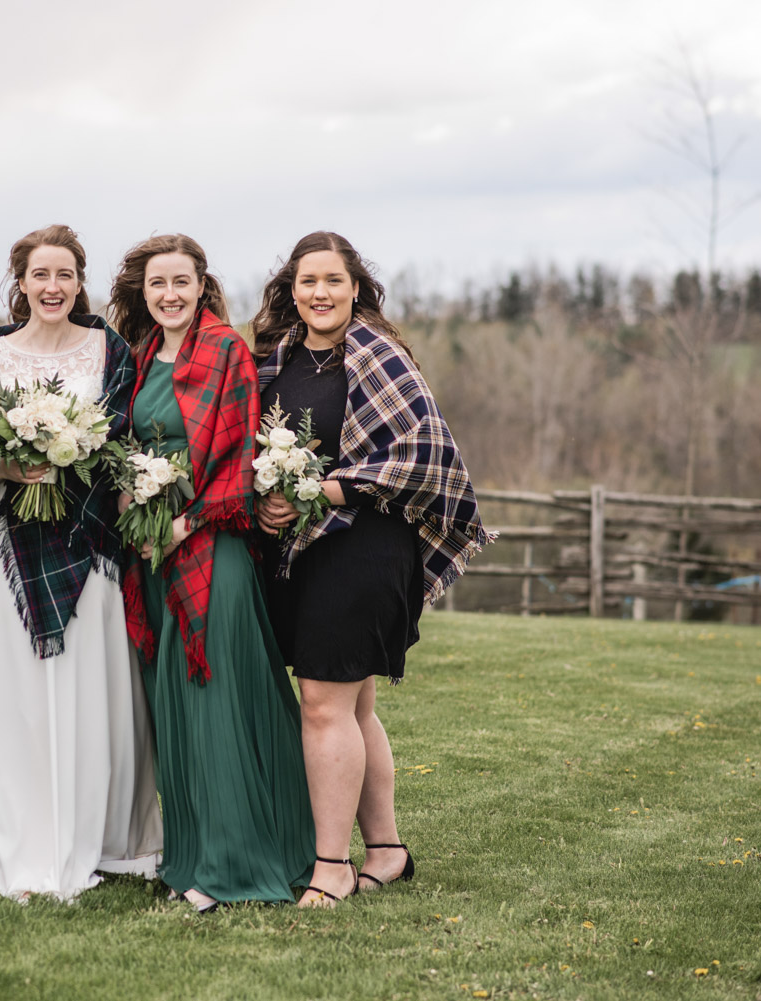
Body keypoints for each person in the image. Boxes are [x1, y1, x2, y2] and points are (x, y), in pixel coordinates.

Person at [252, 231, 491, 907]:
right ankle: (386, 852)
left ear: (356, 288)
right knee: (352, 705)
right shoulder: (276, 360)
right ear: (291, 288)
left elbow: (423, 455)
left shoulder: (380, 356)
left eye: (334, 280)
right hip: (301, 551)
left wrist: (322, 490)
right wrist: (267, 498)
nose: (320, 293)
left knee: (322, 704)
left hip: (364, 549)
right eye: (308, 281)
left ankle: (330, 867)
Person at [0, 224, 163, 901]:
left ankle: (92, 831)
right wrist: (11, 465)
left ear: (79, 282)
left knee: (85, 686)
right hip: (9, 542)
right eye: (40, 275)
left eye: (65, 275)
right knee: (14, 692)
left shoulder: (109, 349)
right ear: (20, 282)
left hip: (89, 540)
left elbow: (123, 439)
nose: (53, 286)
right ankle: (23, 837)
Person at [109, 235, 314, 911]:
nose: (169, 294)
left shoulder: (226, 350)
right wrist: (133, 507)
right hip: (153, 552)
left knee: (216, 698)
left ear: (202, 286)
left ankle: (234, 865)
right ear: (143, 292)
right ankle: (192, 858)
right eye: (157, 284)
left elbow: (236, 458)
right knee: (175, 705)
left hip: (209, 548)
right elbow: (130, 448)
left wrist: (184, 523)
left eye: (181, 282)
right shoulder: (144, 356)